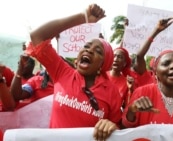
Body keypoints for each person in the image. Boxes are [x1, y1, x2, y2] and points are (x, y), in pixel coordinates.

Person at [25, 4, 122, 141]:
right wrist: (83, 17)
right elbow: (37, 36)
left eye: (98, 51)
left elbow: (118, 128)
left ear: (103, 65)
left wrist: (111, 126)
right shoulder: (62, 71)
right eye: (87, 46)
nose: (89, 50)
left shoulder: (111, 92)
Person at [122, 50, 173, 140]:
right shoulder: (142, 92)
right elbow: (124, 130)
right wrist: (131, 112)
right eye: (166, 63)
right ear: (155, 72)